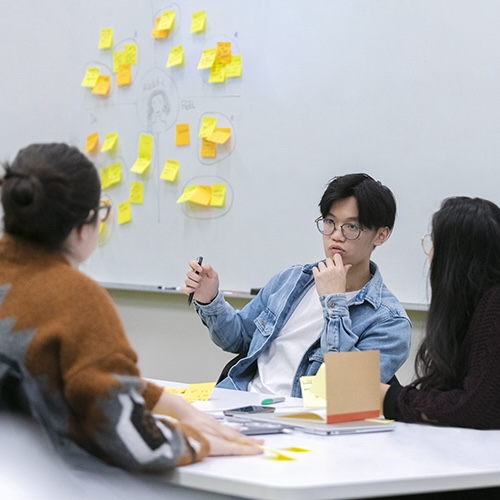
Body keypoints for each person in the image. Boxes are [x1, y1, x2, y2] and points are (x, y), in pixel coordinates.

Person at [0, 143, 262, 473]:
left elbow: (88, 381)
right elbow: (132, 439)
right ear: (86, 223)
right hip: (46, 481)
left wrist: (172, 405)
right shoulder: (75, 298)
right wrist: (198, 440)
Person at [184, 173, 412, 397]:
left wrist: (334, 303)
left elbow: (346, 391)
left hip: (302, 422)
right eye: (330, 222)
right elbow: (239, 338)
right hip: (240, 400)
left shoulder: (390, 321)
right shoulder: (291, 280)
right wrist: (210, 298)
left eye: (351, 227)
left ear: (381, 235)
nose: (336, 236)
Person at [381, 196, 500, 430]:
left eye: (435, 244)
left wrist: (390, 398)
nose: (430, 256)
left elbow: (473, 407)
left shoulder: (495, 305)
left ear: (455, 257)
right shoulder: (473, 308)